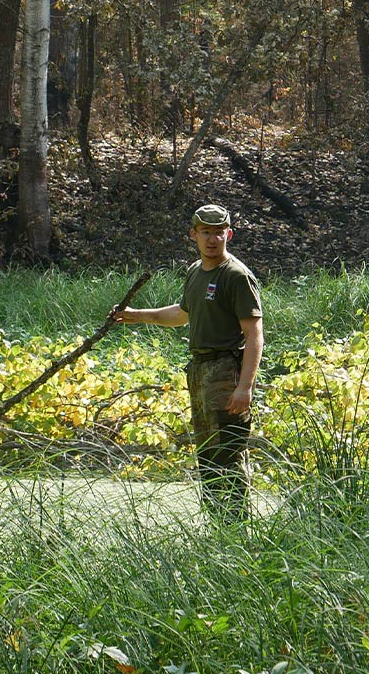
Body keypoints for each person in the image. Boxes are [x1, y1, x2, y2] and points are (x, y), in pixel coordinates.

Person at [111, 204, 264, 522]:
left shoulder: (236, 276)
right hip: (200, 373)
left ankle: (238, 532)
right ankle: (218, 531)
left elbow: (254, 336)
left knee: (227, 455)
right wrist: (135, 316)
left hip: (226, 373)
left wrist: (244, 387)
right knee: (208, 456)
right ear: (193, 235)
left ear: (229, 235)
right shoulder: (196, 272)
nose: (212, 239)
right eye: (206, 232)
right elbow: (182, 314)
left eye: (219, 232)